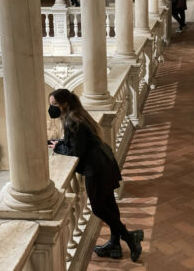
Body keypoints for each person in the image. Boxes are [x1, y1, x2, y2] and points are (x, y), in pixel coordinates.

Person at [47, 89, 144, 261]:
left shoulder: (72, 121)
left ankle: (129, 237)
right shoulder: (77, 115)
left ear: (65, 104)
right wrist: (61, 143)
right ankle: (115, 243)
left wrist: (56, 147)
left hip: (97, 167)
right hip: (104, 161)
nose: (51, 108)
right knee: (109, 205)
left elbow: (77, 151)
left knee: (99, 208)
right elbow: (77, 142)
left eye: (54, 104)